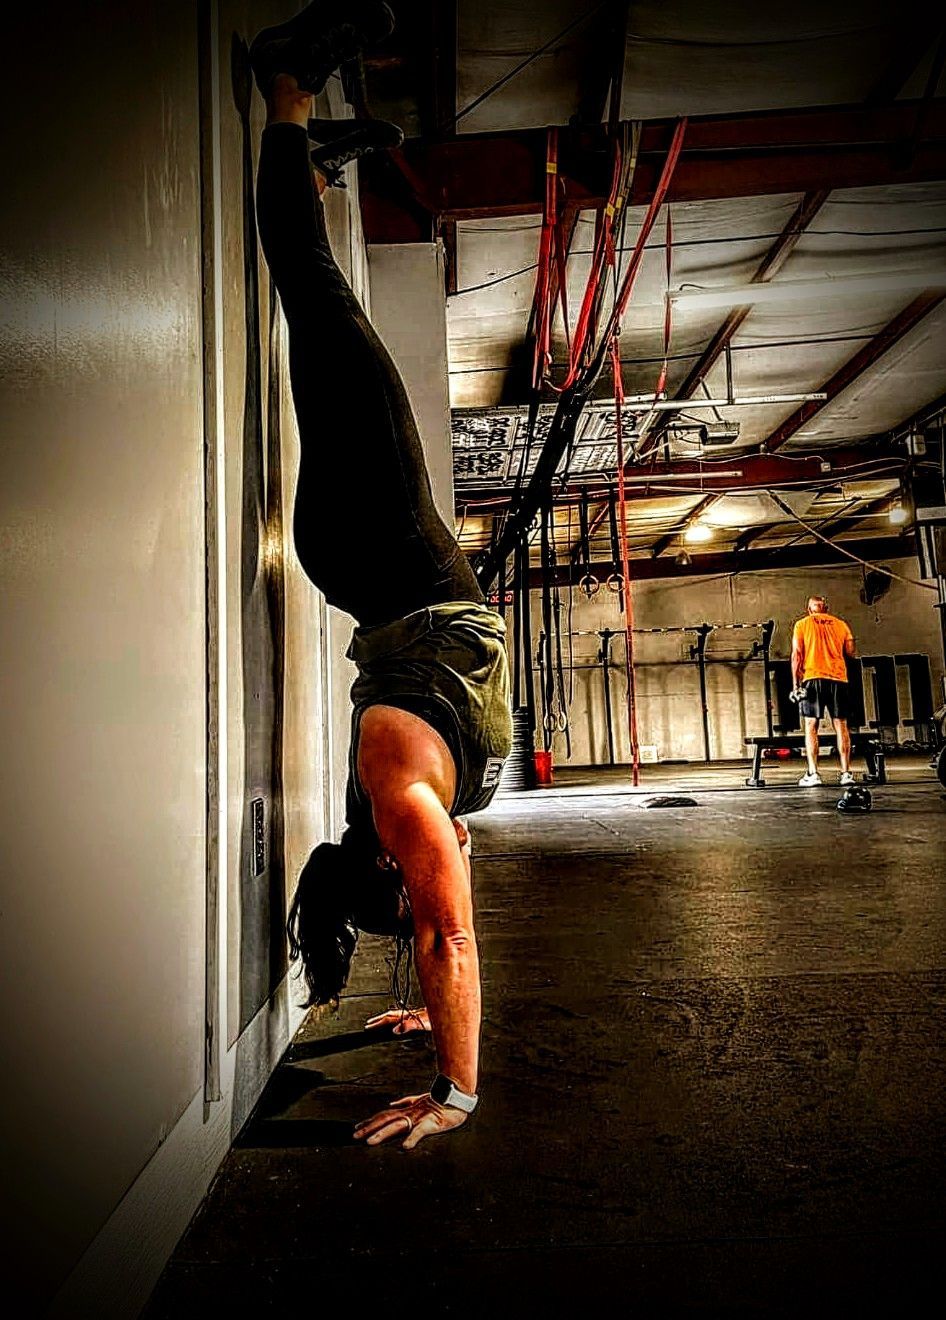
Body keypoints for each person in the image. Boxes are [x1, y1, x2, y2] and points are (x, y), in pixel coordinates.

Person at [249, 1, 512, 1149]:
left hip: (384, 551)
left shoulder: (399, 776)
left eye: (412, 879)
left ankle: (289, 95)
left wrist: (456, 1094)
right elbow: (436, 921)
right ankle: (313, 169)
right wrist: (419, 1001)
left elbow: (450, 933)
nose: (436, 884)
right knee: (330, 325)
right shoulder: (418, 817)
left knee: (318, 302)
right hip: (382, 565)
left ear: (391, 857)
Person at [790, 595, 857, 787]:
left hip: (813, 678)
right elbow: (851, 652)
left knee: (811, 726)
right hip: (838, 678)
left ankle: (813, 774)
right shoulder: (841, 624)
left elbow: (796, 655)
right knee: (841, 726)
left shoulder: (801, 624)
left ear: (809, 609)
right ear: (825, 608)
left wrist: (796, 685)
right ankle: (846, 774)